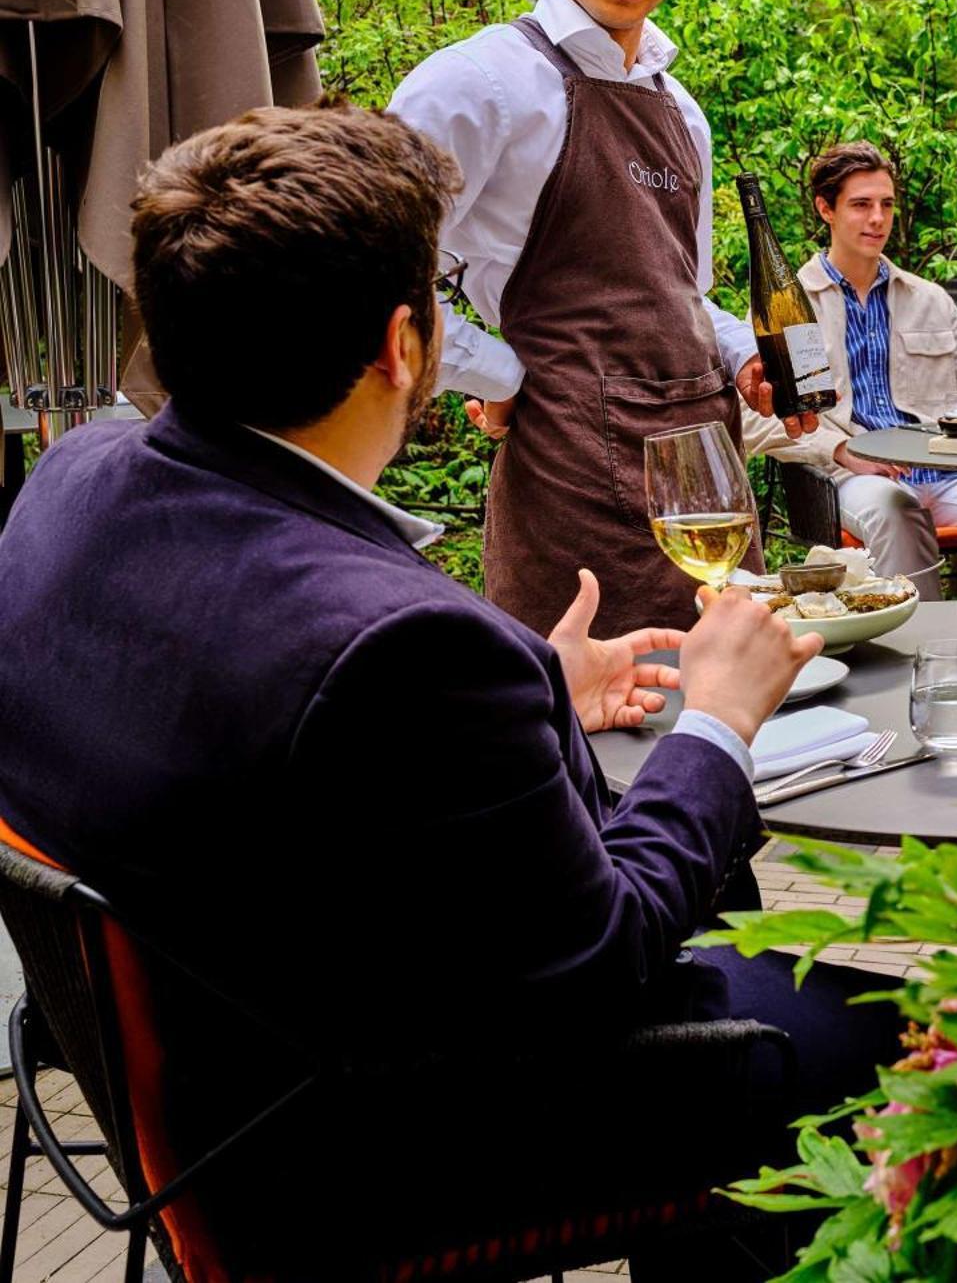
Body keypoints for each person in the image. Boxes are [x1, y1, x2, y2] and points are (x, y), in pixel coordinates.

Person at [0, 105, 900, 1277]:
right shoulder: (401, 650)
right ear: (402, 344)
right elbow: (609, 955)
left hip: (182, 1092)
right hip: (353, 1156)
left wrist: (529, 687)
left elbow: (277, 729)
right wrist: (719, 726)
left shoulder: (72, 483)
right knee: (909, 1038)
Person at [388, 0, 812, 639]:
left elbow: (679, 294)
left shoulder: (681, 112)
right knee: (593, 756)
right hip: (572, 499)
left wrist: (743, 353)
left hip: (711, 498)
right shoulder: (476, 85)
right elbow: (370, 287)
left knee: (736, 743)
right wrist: (500, 376)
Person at [739, 143, 957, 598]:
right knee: (895, 507)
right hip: (852, 483)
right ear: (826, 209)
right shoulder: (789, 303)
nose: (877, 218)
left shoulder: (930, 301)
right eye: (861, 205)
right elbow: (752, 421)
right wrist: (841, 448)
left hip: (949, 477)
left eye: (886, 204)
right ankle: (919, 646)